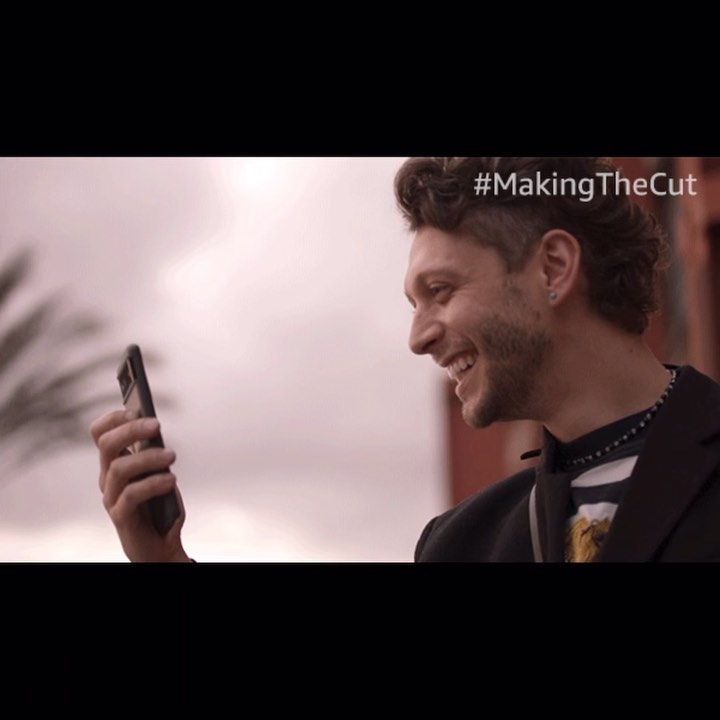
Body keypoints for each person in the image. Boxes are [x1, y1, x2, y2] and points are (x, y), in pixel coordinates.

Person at [90, 157, 720, 562]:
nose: (418, 338)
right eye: (413, 305)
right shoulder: (462, 544)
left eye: (440, 291)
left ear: (553, 268)